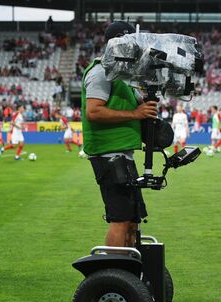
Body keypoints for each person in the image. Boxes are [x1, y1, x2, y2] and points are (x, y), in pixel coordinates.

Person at [82, 21, 158, 248]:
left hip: (122, 155)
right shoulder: (101, 71)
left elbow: (143, 108)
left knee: (132, 221)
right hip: (108, 155)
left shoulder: (124, 76)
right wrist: (136, 113)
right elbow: (93, 111)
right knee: (120, 220)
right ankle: (116, 275)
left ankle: (129, 275)